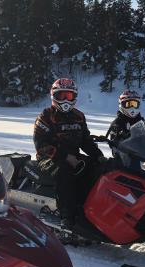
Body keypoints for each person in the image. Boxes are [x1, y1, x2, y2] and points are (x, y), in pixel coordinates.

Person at [33, 78, 108, 230]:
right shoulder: (46, 116)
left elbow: (86, 141)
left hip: (73, 156)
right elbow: (41, 145)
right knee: (64, 170)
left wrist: (98, 155)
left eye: (69, 96)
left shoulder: (78, 116)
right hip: (48, 158)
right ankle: (67, 215)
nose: (66, 100)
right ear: (54, 96)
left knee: (97, 168)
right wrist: (64, 157)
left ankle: (92, 208)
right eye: (62, 96)